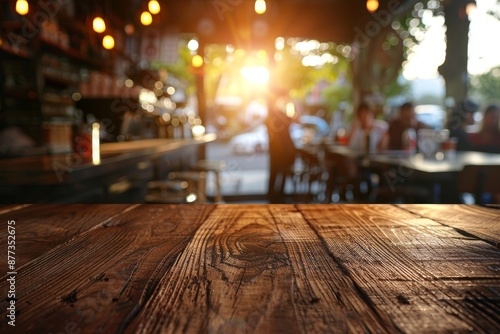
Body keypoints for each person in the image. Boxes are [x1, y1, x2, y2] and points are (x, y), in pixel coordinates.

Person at [266, 94, 297, 203]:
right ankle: (273, 196)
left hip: (283, 150)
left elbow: (293, 121)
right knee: (275, 172)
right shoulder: (273, 116)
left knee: (281, 172)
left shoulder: (281, 114)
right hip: (278, 150)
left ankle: (278, 196)